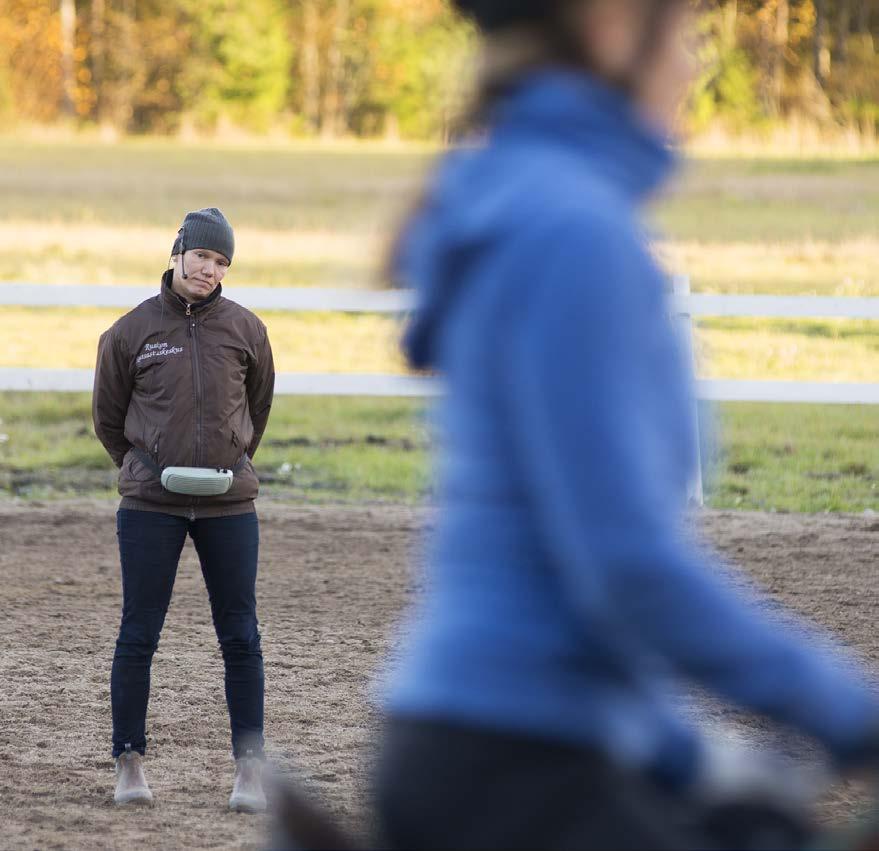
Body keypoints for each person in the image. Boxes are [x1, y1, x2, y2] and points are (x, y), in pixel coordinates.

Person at [373, 1, 879, 848]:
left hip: (496, 744)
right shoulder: (576, 231)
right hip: (523, 768)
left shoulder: (522, 201)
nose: (693, 66)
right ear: (610, 26)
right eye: (681, 33)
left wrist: (681, 752)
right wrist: (851, 714)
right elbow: (627, 566)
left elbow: (568, 580)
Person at [92, 207, 275, 812]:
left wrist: (229, 463)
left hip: (229, 508)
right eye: (202, 256)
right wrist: (144, 468)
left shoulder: (246, 329)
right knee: (138, 632)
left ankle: (250, 770)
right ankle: (130, 762)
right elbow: (109, 420)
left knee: (241, 636)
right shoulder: (129, 332)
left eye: (221, 262)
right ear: (178, 254)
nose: (210, 270)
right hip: (150, 506)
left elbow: (257, 410)